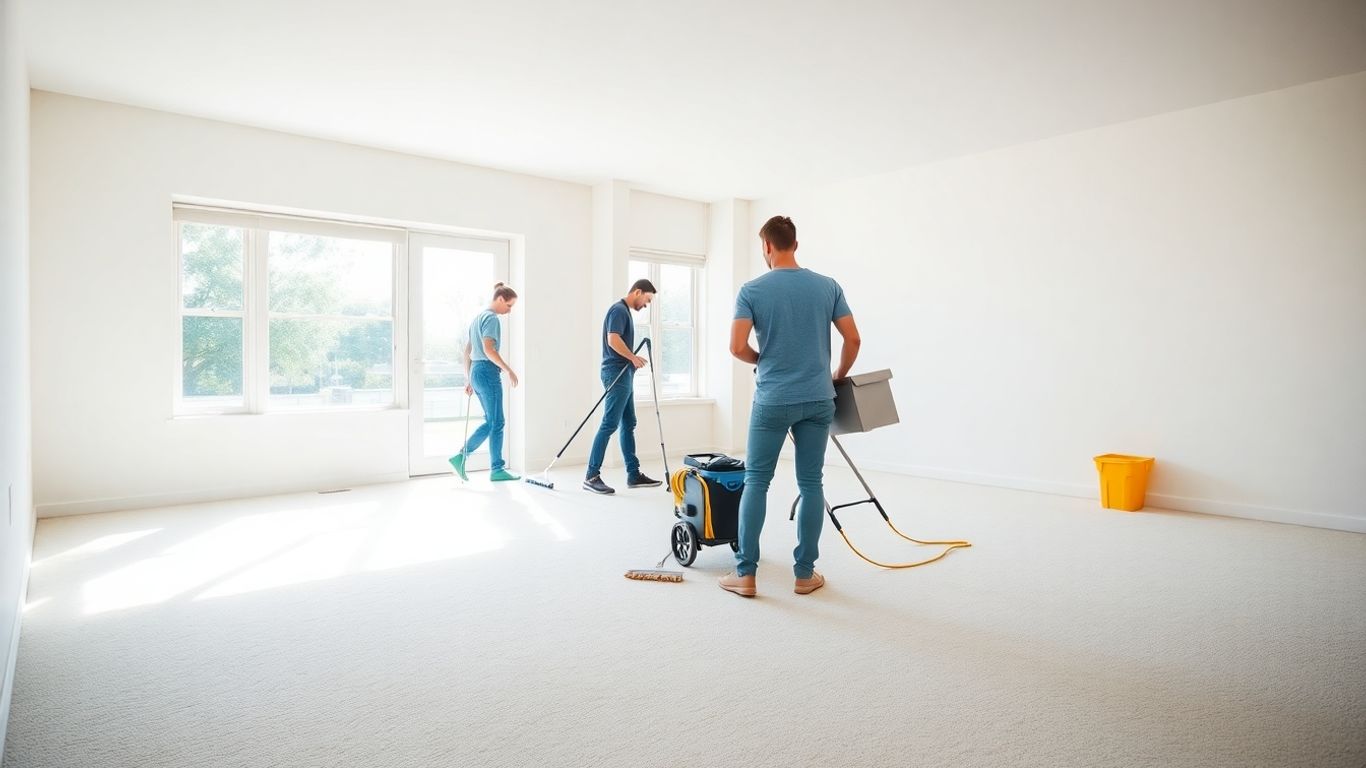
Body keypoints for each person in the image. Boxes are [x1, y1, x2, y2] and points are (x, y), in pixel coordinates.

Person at [718, 216, 861, 598]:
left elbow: (736, 347)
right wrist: (837, 374)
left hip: (773, 400)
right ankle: (804, 574)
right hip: (818, 398)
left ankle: (745, 575)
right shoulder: (828, 286)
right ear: (795, 244)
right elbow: (853, 339)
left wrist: (761, 360)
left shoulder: (752, 290)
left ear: (767, 246)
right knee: (811, 483)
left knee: (756, 481)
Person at [583, 279, 665, 494]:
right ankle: (591, 476)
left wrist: (630, 362)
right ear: (637, 292)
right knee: (610, 424)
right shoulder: (618, 310)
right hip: (616, 373)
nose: (645, 305)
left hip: (624, 373)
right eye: (646, 300)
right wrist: (632, 357)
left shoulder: (624, 311)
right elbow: (613, 339)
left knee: (629, 423)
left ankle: (633, 474)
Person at [449, 283, 521, 482]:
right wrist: (508, 369)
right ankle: (491, 467)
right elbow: (489, 349)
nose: (509, 310)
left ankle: (477, 462)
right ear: (499, 299)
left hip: (476, 372)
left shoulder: (476, 319)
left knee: (492, 421)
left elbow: (467, 351)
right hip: (487, 372)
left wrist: (469, 378)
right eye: (509, 305)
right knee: (497, 422)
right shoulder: (491, 319)